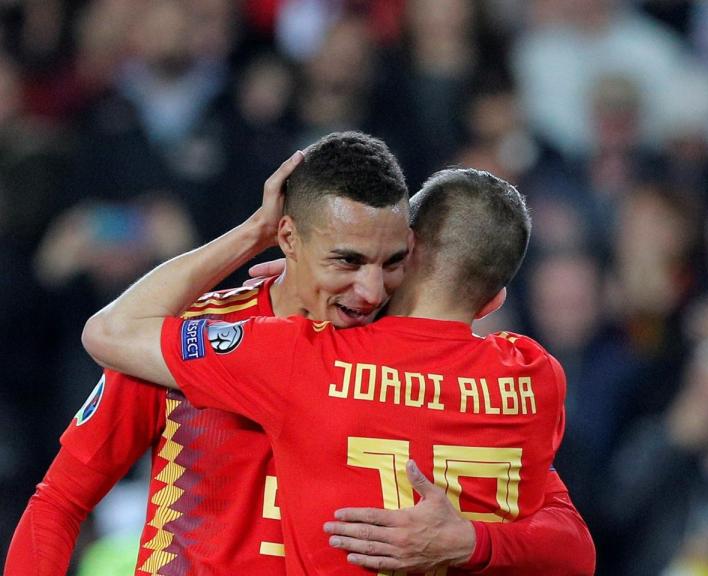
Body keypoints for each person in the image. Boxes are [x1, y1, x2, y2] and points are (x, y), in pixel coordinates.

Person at [6, 133, 594, 575]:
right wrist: (245, 237)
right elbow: (60, 501)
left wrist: (468, 539)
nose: (369, 291)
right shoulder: (183, 336)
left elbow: (558, 522)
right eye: (346, 261)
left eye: (390, 263)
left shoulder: (404, 359)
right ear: (287, 237)